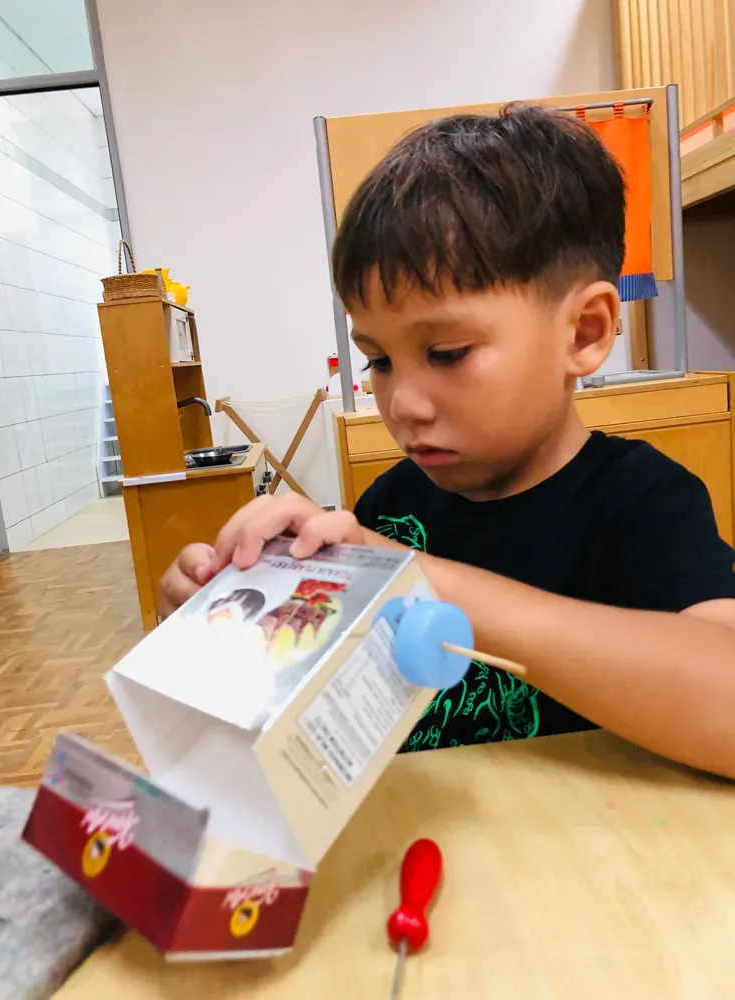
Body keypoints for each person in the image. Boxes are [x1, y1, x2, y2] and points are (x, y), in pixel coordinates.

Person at [160, 106, 735, 776]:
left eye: (447, 352)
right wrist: (234, 623)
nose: (400, 404)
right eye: (377, 360)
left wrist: (411, 578)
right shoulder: (390, 507)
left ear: (583, 332)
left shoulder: (642, 501)